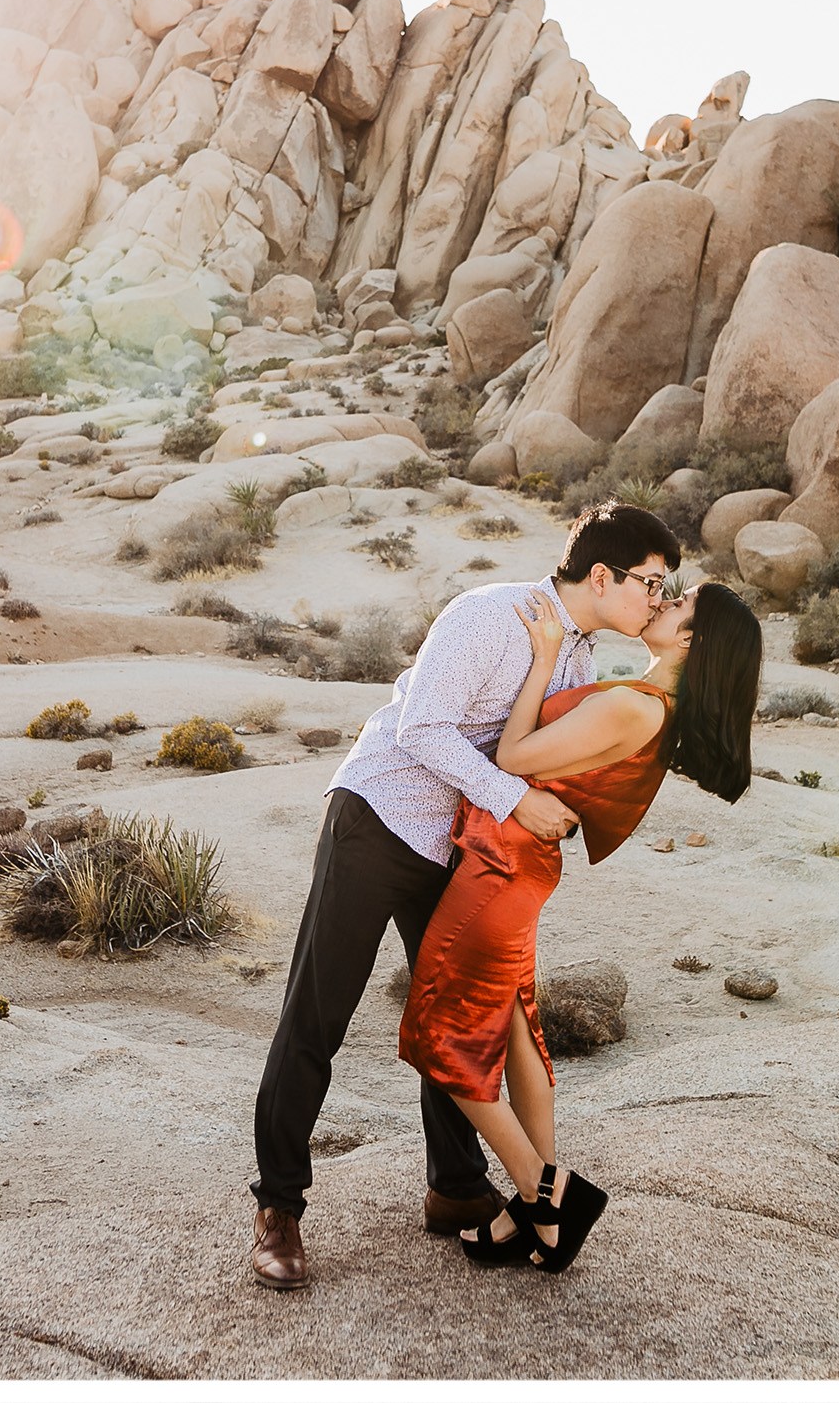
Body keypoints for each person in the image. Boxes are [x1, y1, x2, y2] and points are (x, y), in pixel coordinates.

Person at [247, 501, 686, 1291]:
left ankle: (453, 1188)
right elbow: (422, 728)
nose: (657, 601)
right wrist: (516, 800)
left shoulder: (581, 661)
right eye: (653, 584)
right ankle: (279, 1211)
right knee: (318, 1015)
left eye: (665, 591)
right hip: (380, 820)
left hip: (459, 845)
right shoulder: (489, 615)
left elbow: (549, 756)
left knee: (464, 1015)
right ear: (602, 575)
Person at [399, 578, 760, 1273]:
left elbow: (510, 760)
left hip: (498, 869)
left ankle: (548, 1194)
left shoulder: (633, 706)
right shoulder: (651, 702)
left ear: (694, 640)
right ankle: (544, 1227)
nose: (661, 603)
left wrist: (542, 659)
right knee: (514, 1023)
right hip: (515, 862)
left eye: (677, 602)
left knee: (439, 1035)